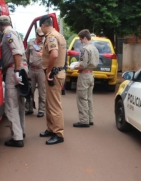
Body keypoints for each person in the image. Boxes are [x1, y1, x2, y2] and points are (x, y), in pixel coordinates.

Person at [0, 15, 28, 147]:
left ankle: (17, 138)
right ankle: (20, 131)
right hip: (20, 69)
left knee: (11, 104)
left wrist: (16, 71)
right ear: (10, 22)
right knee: (20, 103)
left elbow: (16, 52)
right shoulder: (14, 32)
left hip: (13, 70)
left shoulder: (8, 33)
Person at [38, 15, 67, 145]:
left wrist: (48, 71)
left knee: (54, 105)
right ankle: (51, 129)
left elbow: (54, 54)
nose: (41, 30)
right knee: (50, 104)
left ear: (44, 25)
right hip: (57, 72)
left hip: (53, 74)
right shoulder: (59, 35)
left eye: (41, 27)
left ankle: (58, 133)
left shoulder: (51, 36)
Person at [73, 29, 99, 128]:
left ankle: (84, 120)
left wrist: (74, 67)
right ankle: (90, 119)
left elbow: (83, 64)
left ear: (84, 38)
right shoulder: (94, 48)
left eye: (81, 39)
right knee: (89, 98)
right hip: (91, 74)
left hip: (84, 75)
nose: (80, 41)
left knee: (82, 98)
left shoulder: (85, 49)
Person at [25, 28, 46, 117]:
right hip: (32, 69)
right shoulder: (31, 42)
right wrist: (26, 64)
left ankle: (41, 110)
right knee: (30, 90)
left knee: (42, 91)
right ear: (36, 34)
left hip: (41, 69)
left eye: (42, 36)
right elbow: (27, 53)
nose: (41, 37)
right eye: (39, 35)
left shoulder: (46, 43)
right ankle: (29, 108)